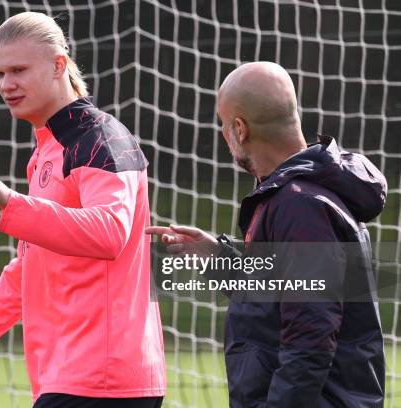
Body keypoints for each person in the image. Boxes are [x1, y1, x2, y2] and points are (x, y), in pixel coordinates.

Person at [0, 12, 166, 408]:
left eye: (18, 70)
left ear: (58, 65)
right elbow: (27, 272)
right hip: (69, 378)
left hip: (104, 380)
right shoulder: (46, 151)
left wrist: (9, 203)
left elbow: (109, 233)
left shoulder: (100, 139)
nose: (6, 84)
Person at [147, 62, 387, 407]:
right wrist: (218, 257)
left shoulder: (300, 205)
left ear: (239, 129)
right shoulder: (298, 197)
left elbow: (311, 333)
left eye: (222, 123)